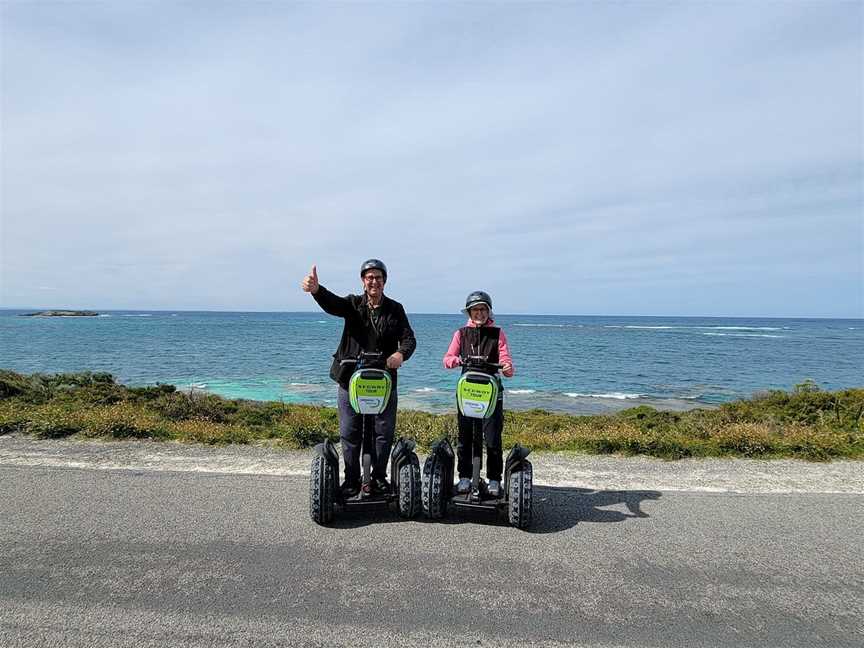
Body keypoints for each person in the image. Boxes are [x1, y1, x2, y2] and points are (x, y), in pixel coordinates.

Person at [301, 259, 416, 497]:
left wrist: (400, 354)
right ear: (363, 281)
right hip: (350, 377)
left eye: (378, 277)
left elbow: (409, 339)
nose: (374, 281)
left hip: (382, 381)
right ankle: (352, 479)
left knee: (383, 432)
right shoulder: (353, 304)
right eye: (369, 277)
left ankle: (378, 477)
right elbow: (334, 305)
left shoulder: (395, 309)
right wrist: (317, 291)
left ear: (384, 281)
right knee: (350, 431)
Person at [442, 290, 515, 497]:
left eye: (483, 309)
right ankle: (464, 477)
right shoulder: (461, 334)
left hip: (491, 392)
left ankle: (494, 479)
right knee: (465, 437)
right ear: (469, 312)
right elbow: (447, 358)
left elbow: (506, 359)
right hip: (468, 392)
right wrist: (454, 361)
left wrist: (507, 368)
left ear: (488, 311)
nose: (479, 313)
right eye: (475, 310)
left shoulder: (497, 333)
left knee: (492, 438)